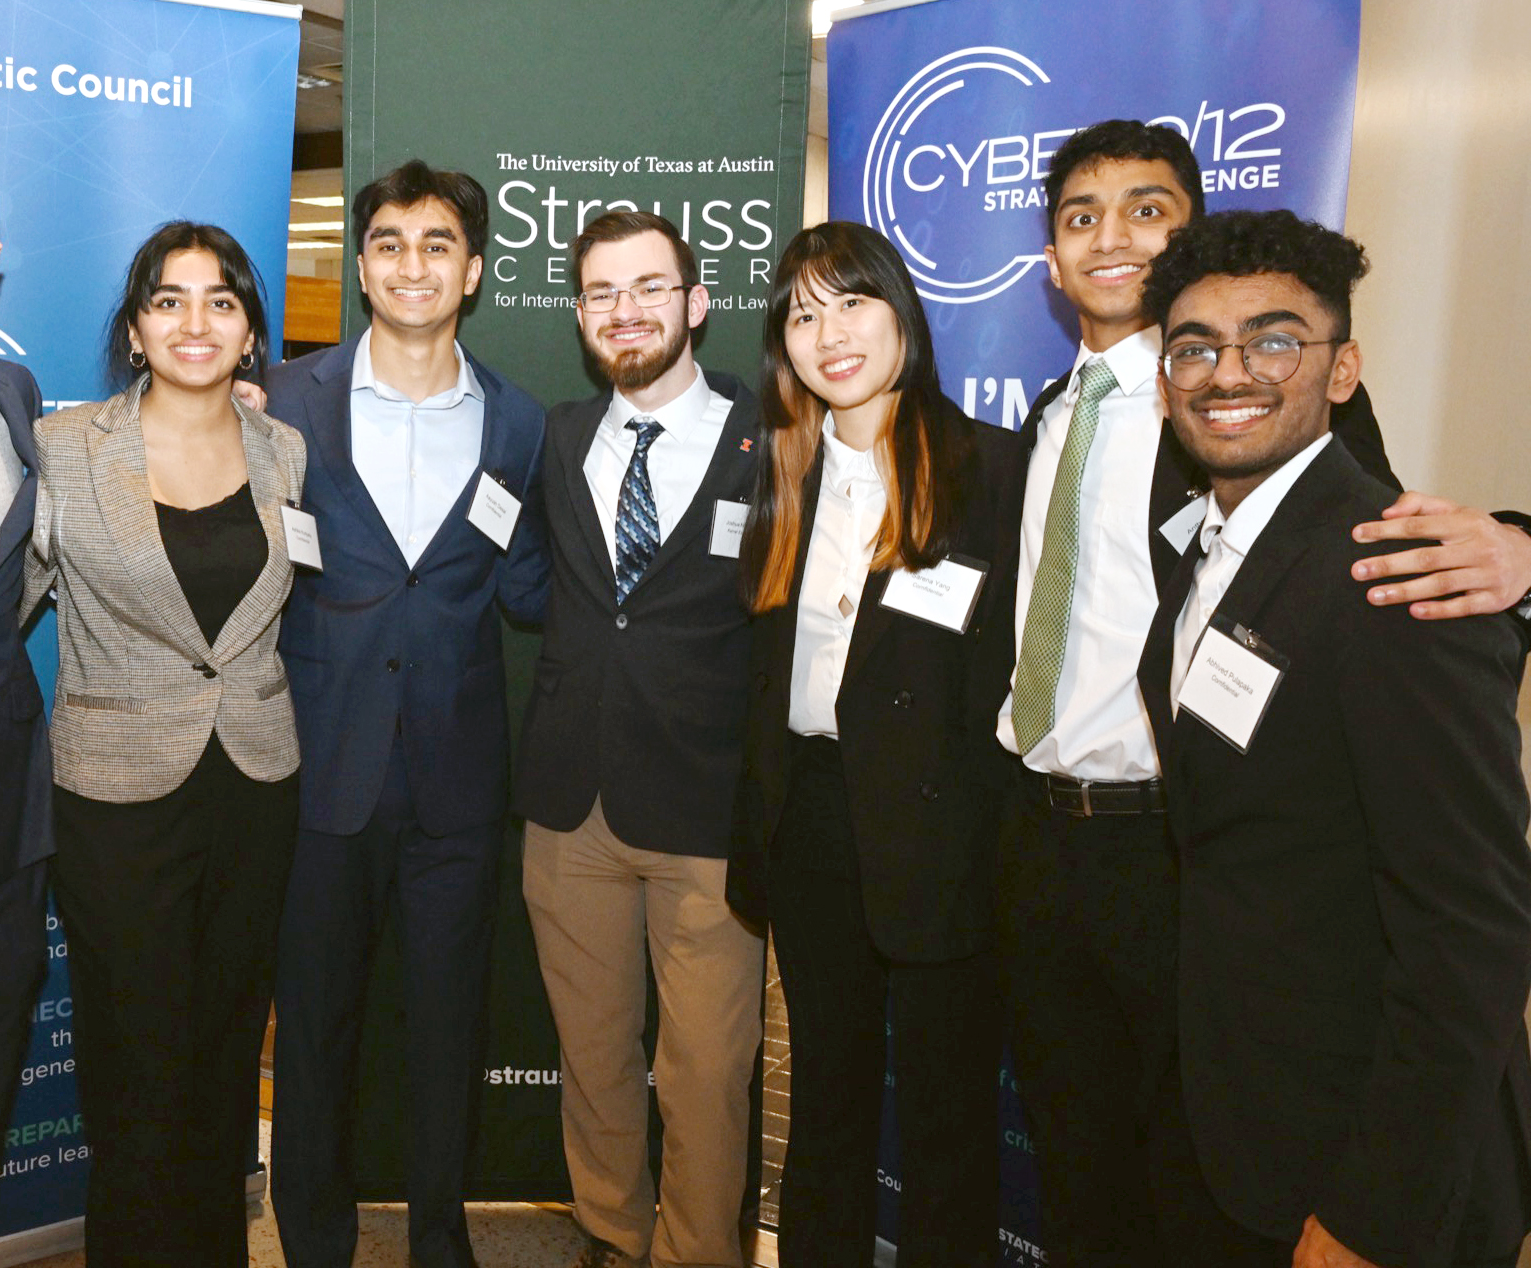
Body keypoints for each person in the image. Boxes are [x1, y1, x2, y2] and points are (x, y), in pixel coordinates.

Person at [983, 120, 1531, 1266]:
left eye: (1145, 209)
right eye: (1078, 216)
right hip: (1056, 852)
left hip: (1175, 869)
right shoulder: (1044, 422)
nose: (1228, 371)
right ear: (1049, 258)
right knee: (1105, 1181)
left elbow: (1407, 556)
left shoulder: (1286, 470)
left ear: (1333, 368)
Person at [1134, 209, 1531, 1267]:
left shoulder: (1392, 571)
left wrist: (1373, 1211)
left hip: (1356, 1165)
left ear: (1341, 366)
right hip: (1242, 1119)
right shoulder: (1204, 542)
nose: (1229, 372)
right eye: (1193, 346)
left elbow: (1470, 932)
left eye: (1272, 339)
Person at [264, 159, 550, 1268]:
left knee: (446, 1032)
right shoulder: (287, 400)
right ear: (362, 265)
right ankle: (312, 1245)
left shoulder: (519, 423)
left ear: (471, 270)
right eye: (387, 243)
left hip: (456, 787)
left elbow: (525, 582)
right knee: (317, 1035)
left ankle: (441, 1238)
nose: (411, 264)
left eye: (436, 244)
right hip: (320, 775)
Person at [728, 222, 1016, 1267]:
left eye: (850, 301)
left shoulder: (995, 467)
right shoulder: (782, 473)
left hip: (946, 829)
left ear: (900, 311)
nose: (827, 333)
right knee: (828, 1098)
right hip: (809, 816)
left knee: (946, 1114)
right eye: (800, 315)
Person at [20, 221, 305, 1267]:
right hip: (116, 801)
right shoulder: (64, 447)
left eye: (221, 300)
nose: (196, 321)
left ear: (249, 331)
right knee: (132, 1062)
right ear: (135, 329)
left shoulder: (284, 448)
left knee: (228, 1051)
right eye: (169, 299)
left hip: (253, 785)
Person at [510, 209, 766, 1268]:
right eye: (603, 293)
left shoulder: (776, 444)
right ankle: (613, 1232)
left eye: (649, 287)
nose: (627, 310)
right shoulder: (557, 436)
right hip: (570, 803)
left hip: (709, 809)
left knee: (706, 1068)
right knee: (592, 1051)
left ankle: (697, 1251)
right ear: (579, 316)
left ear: (695, 303)